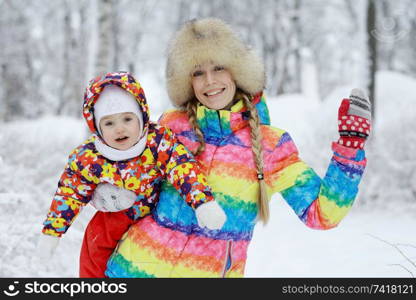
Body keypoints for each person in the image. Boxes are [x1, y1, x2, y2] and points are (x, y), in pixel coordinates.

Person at [87, 18, 371, 278]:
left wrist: (349, 149)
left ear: (238, 72)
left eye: (219, 67)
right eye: (198, 72)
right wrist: (108, 189)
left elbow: (322, 215)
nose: (210, 81)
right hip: (130, 271)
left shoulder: (271, 145)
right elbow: (129, 177)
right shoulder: (171, 126)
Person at [37, 71, 226, 276]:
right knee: (95, 240)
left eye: (127, 119)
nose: (119, 129)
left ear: (141, 116)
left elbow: (182, 167)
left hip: (156, 210)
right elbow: (69, 193)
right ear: (97, 127)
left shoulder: (157, 141)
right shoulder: (89, 157)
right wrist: (52, 233)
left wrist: (203, 202)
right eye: (109, 123)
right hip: (116, 214)